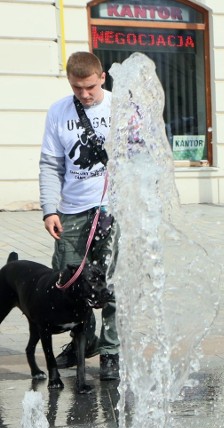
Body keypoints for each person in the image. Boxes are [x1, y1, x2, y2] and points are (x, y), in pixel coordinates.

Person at [39, 51, 120, 381]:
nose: (84, 94)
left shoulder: (122, 107)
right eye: (77, 88)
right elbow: (50, 164)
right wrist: (49, 209)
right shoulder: (58, 112)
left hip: (114, 208)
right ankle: (85, 340)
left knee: (113, 281)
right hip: (71, 212)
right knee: (67, 281)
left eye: (89, 87)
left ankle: (111, 351)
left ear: (101, 78)